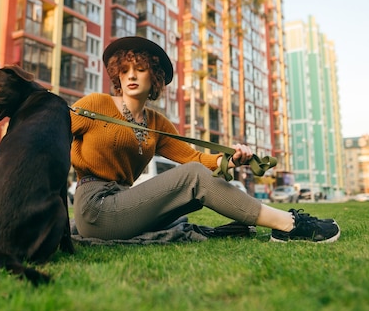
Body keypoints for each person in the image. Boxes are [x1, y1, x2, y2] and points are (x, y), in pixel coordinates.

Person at [70, 36, 340, 243]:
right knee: (192, 177)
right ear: (117, 73)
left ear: (154, 77)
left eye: (140, 69)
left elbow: (194, 159)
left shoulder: (156, 123)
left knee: (192, 184)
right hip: (97, 206)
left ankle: (266, 223)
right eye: (125, 69)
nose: (130, 75)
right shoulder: (95, 104)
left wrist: (231, 160)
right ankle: (288, 225)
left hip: (124, 202)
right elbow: (49, 139)